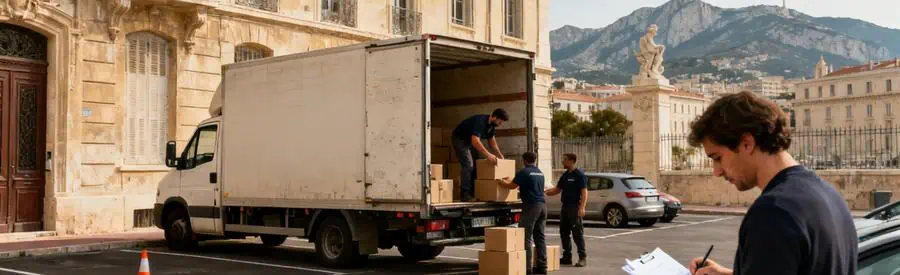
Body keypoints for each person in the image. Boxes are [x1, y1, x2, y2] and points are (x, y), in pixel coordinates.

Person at [687, 91, 857, 275]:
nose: (716, 171)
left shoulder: (773, 212)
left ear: (746, 143)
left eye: (718, 158)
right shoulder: (828, 195)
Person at [497, 152, 547, 274]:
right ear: (534, 160)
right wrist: (510, 180)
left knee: (526, 236)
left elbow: (512, 186)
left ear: (524, 160)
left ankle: (527, 268)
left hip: (531, 207)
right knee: (540, 237)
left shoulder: (524, 172)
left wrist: (500, 182)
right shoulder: (540, 172)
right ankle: (542, 266)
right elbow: (523, 183)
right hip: (543, 207)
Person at [451, 108, 509, 202]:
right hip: (460, 140)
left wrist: (499, 155)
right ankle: (465, 195)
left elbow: (492, 142)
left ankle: (475, 192)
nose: (501, 123)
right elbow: (475, 141)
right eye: (500, 121)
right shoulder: (481, 122)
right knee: (468, 165)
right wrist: (488, 155)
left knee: (477, 164)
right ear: (494, 117)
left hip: (470, 141)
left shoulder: (491, 126)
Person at [544, 153, 587, 267]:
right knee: (564, 232)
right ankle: (567, 257)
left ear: (572, 161)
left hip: (575, 207)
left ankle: (582, 258)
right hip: (565, 207)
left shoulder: (579, 175)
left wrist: (582, 207)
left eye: (565, 160)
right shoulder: (565, 175)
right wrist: (544, 192)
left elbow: (584, 192)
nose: (563, 162)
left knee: (577, 233)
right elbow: (557, 189)